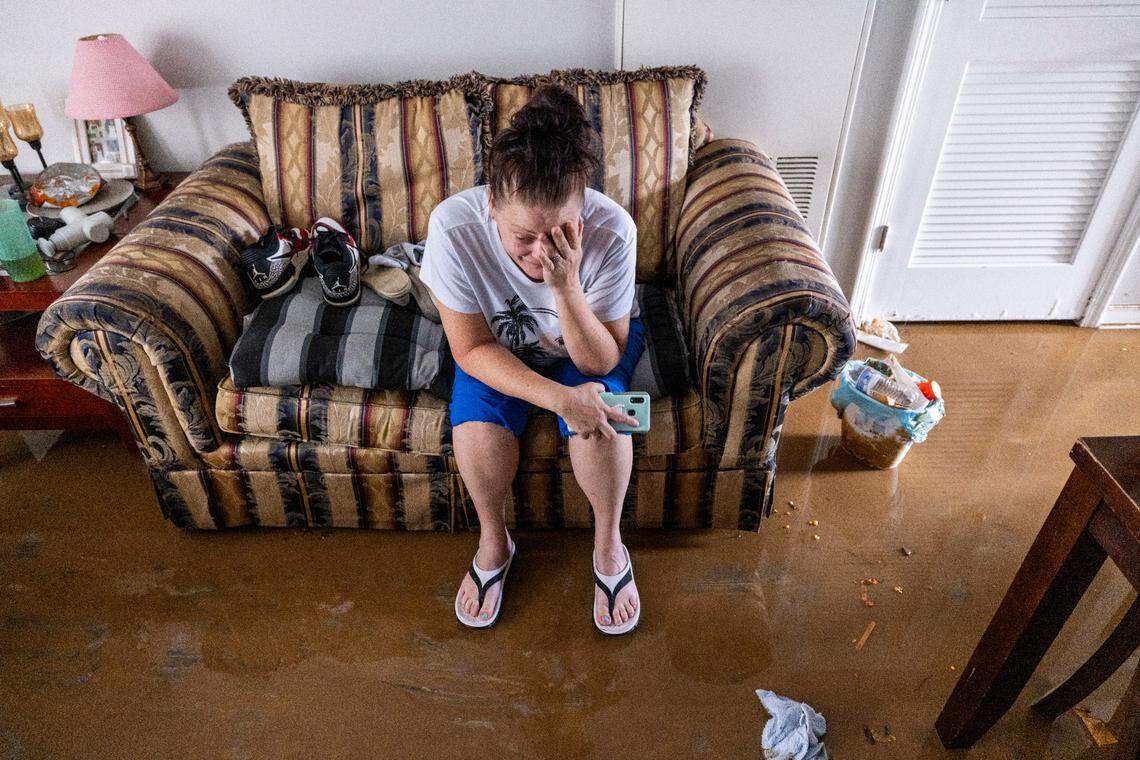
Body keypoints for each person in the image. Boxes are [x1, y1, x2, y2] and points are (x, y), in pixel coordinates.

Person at [418, 84, 646, 635]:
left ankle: (609, 544)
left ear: (583, 206)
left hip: (589, 343)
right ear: (491, 203)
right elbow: (470, 348)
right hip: (497, 347)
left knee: (609, 420)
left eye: (560, 231)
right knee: (477, 431)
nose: (540, 250)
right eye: (523, 236)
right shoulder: (453, 227)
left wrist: (566, 289)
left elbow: (600, 360)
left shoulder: (613, 230)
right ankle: (494, 542)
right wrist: (559, 400)